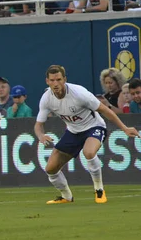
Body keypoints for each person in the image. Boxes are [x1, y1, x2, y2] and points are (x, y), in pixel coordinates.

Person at [35, 65, 140, 204]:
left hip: (94, 126)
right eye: (52, 80)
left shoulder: (79, 93)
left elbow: (105, 110)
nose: (56, 83)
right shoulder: (46, 98)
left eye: (59, 79)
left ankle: (99, 190)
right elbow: (38, 125)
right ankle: (66, 196)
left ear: (65, 79)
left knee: (89, 152)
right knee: (50, 169)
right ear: (47, 81)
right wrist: (41, 135)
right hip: (73, 132)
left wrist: (124, 128)